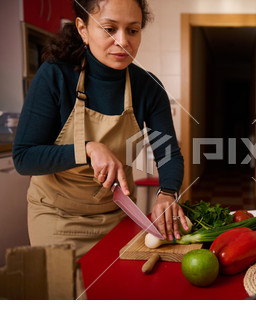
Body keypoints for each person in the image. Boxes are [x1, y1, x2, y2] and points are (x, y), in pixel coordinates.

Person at [13, 0, 187, 258]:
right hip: (57, 218)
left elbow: (168, 153)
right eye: (109, 29)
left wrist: (167, 193)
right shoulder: (55, 76)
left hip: (118, 215)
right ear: (83, 29)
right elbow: (24, 158)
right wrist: (87, 149)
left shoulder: (148, 87)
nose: (122, 41)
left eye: (133, 30)